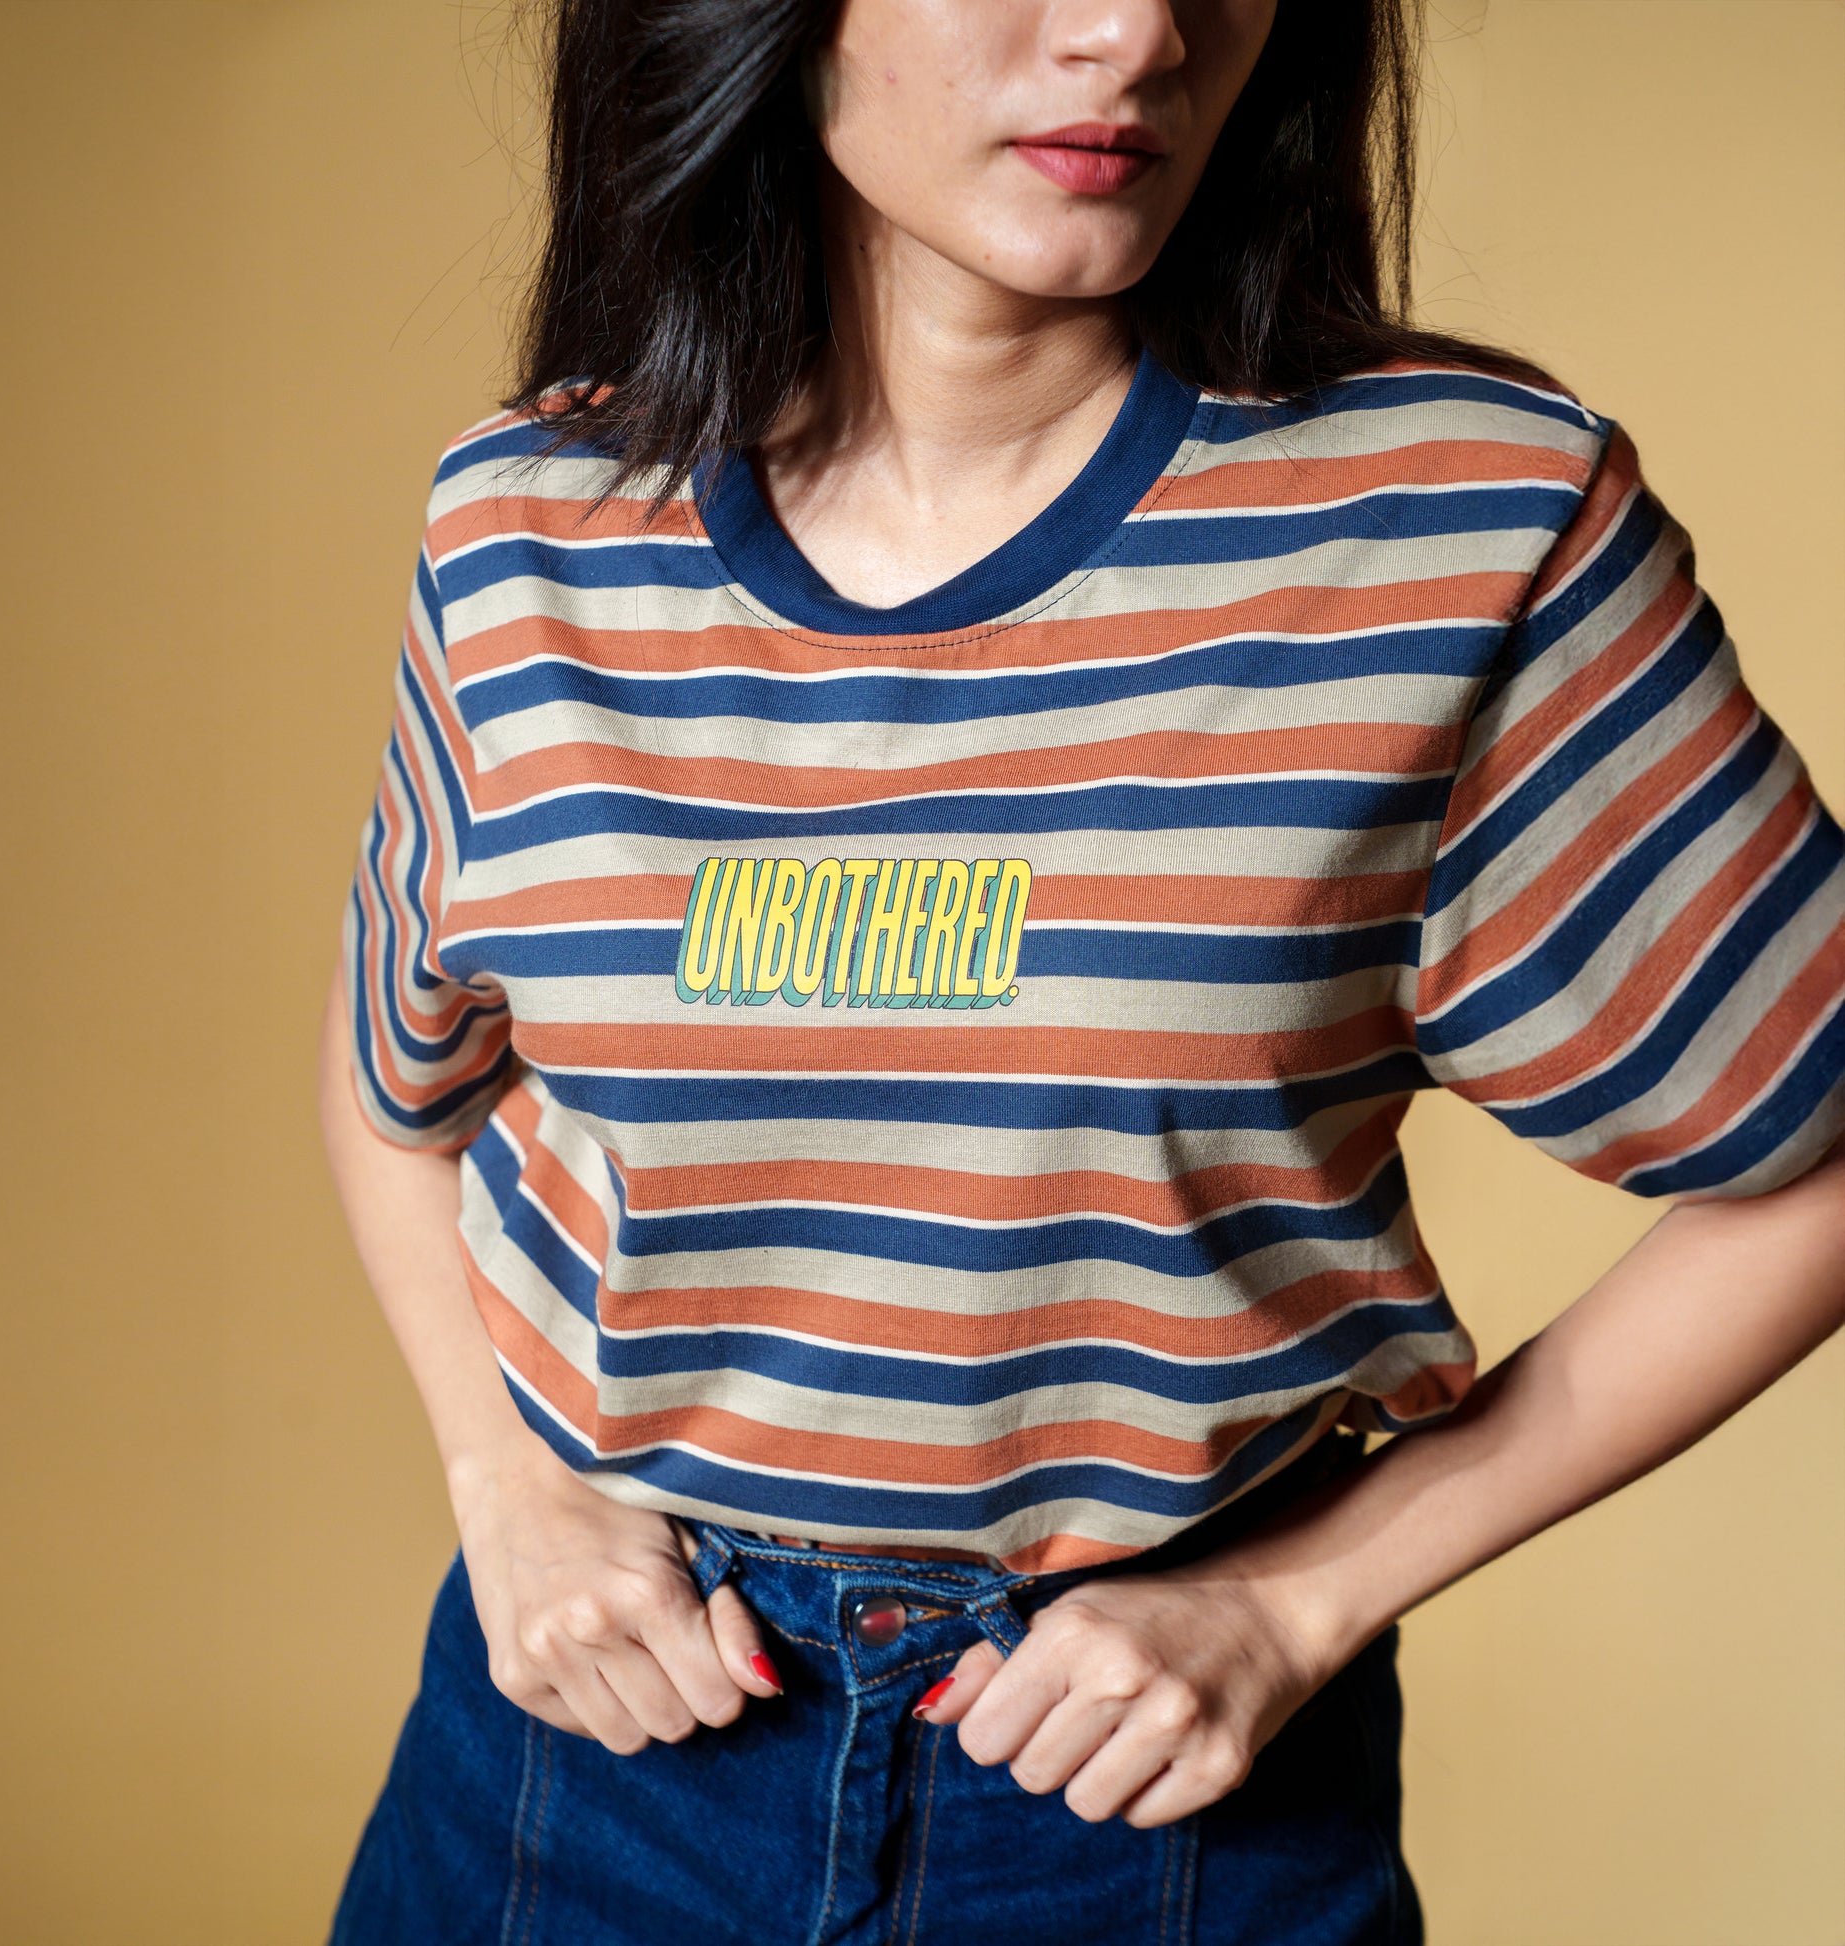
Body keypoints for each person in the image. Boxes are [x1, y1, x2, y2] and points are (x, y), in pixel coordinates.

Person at [318, 1, 1845, 1939]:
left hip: (1141, 1798)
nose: (1134, 31)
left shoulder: (1466, 523)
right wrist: (504, 1485)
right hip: (589, 1761)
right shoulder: (526, 518)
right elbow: (397, 1086)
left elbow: (1814, 1157)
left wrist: (1299, 1594)